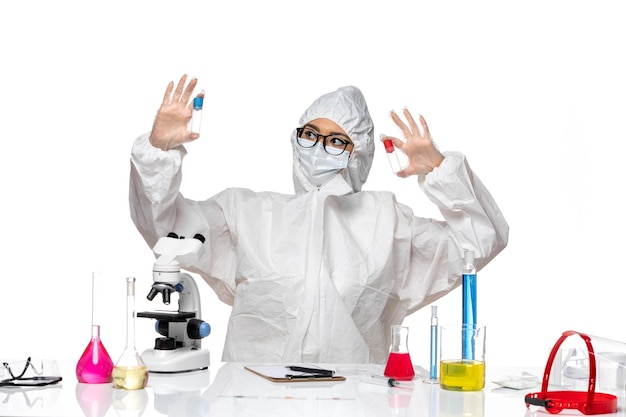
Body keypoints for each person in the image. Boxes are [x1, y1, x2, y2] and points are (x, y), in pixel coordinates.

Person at [129, 74, 509, 364]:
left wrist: (439, 172)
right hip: (252, 395)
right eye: (311, 134)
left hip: (356, 397)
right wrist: (159, 150)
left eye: (336, 140)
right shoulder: (247, 213)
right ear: (296, 140)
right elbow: (165, 230)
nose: (319, 147)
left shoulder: (386, 222)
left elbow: (479, 243)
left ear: (357, 154)